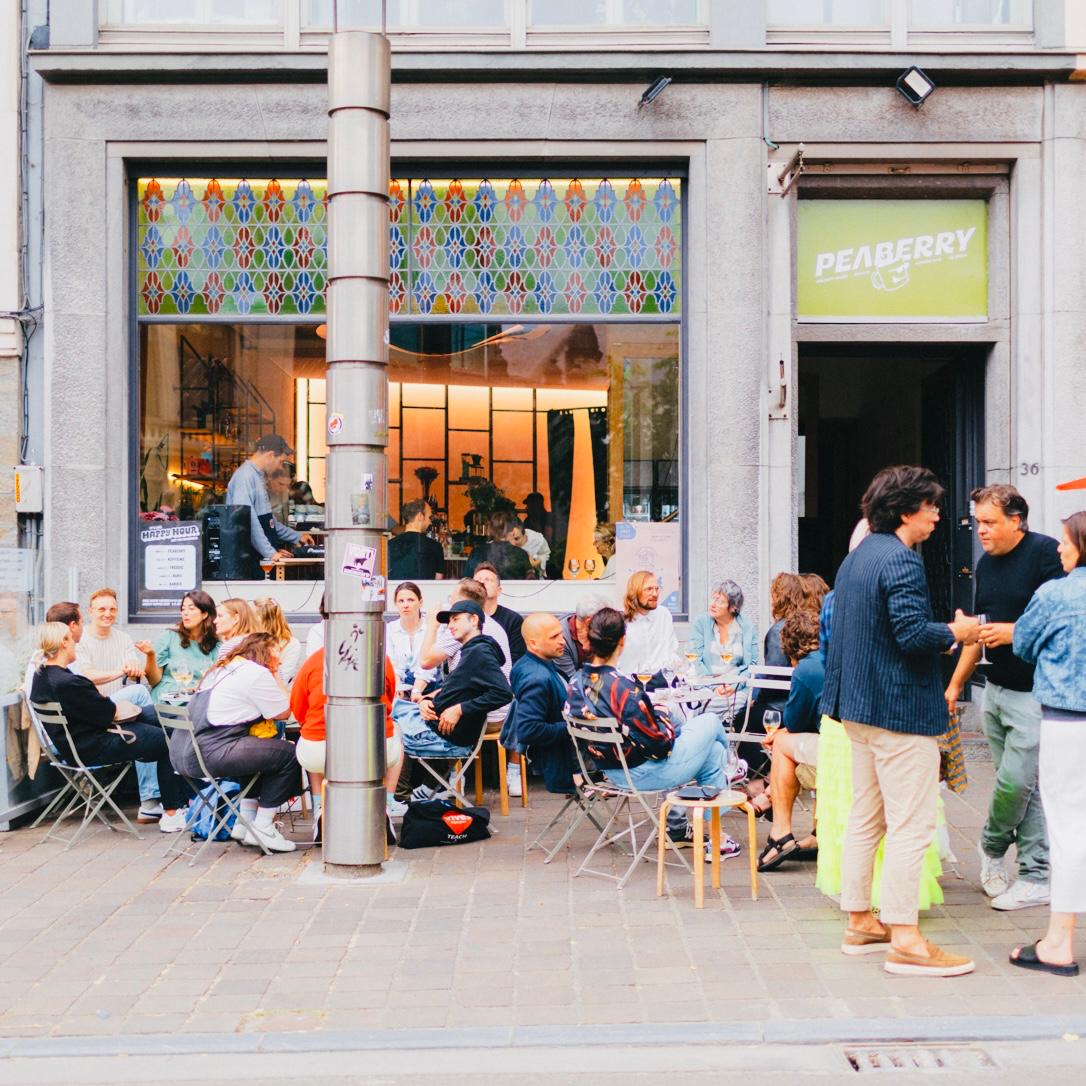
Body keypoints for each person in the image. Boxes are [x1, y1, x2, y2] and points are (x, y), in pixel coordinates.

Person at [822, 465, 979, 977]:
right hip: (899, 713)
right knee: (912, 827)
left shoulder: (858, 557)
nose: (937, 515)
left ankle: (860, 923)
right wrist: (957, 632)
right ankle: (906, 940)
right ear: (908, 510)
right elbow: (911, 634)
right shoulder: (901, 561)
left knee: (866, 819)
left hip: (857, 709)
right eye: (931, 506)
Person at [944, 485, 1063, 912]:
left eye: (989, 522)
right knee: (1022, 788)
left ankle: (991, 845)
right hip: (992, 692)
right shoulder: (985, 564)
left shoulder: (1047, 555)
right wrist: (955, 686)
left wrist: (1015, 632)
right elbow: (979, 631)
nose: (980, 530)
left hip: (1034, 694)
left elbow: (1064, 618)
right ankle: (1034, 875)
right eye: (978, 521)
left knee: (1017, 782)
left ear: (1016, 521)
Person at [566, 607, 739, 858]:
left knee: (712, 752)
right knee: (710, 721)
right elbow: (661, 746)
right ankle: (732, 765)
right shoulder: (625, 689)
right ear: (623, 641)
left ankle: (717, 838)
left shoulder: (575, 682)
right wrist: (661, 713)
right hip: (643, 773)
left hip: (608, 770)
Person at [1009, 510, 1086, 976]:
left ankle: (1059, 941)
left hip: (1069, 723)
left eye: (1066, 540)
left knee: (1068, 826)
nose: (1059, 547)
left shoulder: (1056, 594)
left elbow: (1022, 643)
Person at [30, 622, 189, 830]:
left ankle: (183, 798)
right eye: (72, 639)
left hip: (81, 741)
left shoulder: (42, 675)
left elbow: (98, 709)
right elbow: (107, 712)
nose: (76, 643)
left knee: (161, 716)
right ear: (64, 643)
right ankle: (172, 812)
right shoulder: (68, 683)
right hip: (94, 745)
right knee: (168, 739)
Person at [173, 632, 299, 852]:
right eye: (277, 653)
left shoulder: (223, 668)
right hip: (211, 751)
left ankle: (244, 823)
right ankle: (263, 827)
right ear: (265, 653)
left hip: (185, 753)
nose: (280, 659)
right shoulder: (256, 673)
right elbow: (283, 712)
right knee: (290, 754)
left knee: (256, 748)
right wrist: (275, 673)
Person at [291, 649, 405, 825]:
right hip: (373, 748)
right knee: (394, 732)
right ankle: (384, 805)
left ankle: (320, 807)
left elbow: (298, 706)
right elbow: (388, 699)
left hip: (321, 752)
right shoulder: (379, 657)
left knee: (312, 734)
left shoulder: (314, 660)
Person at [397, 600, 513, 760]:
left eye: (456, 619)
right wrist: (426, 701)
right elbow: (457, 689)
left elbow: (504, 693)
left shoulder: (480, 652)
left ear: (474, 620)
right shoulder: (471, 651)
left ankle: (400, 779)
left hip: (442, 737)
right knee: (390, 715)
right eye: (449, 621)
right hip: (434, 725)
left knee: (384, 726)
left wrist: (460, 709)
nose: (450, 625)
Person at [756, 611, 824, 871]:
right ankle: (818, 832)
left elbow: (794, 722)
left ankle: (780, 834)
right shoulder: (833, 657)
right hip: (856, 740)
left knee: (782, 743)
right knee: (785, 739)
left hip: (838, 748)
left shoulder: (805, 669)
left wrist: (778, 734)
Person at [503, 613, 576, 795]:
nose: (563, 641)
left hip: (566, 756)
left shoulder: (530, 665)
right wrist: (575, 727)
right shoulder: (536, 677)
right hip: (568, 765)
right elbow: (529, 730)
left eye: (561, 634)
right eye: (554, 637)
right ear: (533, 643)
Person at [225, 434, 314, 576]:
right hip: (247, 564)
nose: (279, 466)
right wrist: (270, 553)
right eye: (280, 461)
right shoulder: (245, 477)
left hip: (258, 560)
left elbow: (268, 522)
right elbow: (248, 521)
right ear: (270, 455)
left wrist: (296, 536)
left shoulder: (256, 476)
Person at [687, 579, 759, 720]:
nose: (713, 604)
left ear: (733, 607)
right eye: (713, 598)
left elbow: (752, 665)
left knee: (739, 700)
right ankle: (722, 720)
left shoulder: (747, 627)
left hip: (736, 689)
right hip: (706, 686)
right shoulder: (701, 623)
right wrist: (714, 687)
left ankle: (708, 717)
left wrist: (734, 686)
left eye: (720, 601)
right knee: (703, 699)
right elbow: (695, 660)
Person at [146, 590, 220, 703]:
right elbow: (153, 681)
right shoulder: (168, 637)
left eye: (191, 608)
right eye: (183, 609)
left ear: (204, 614)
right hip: (166, 698)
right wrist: (150, 655)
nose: (185, 613)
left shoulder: (216, 645)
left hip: (197, 699)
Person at [616, 570, 678, 683]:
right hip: (630, 682)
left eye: (657, 589)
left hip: (661, 681)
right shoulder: (620, 619)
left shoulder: (664, 615)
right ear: (635, 592)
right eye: (649, 589)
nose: (655, 594)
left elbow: (671, 650)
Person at [473, 562, 526, 662]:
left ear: (499, 590)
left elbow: (517, 657)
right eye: (477, 580)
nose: (482, 582)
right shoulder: (465, 617)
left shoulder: (513, 620)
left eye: (488, 580)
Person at [386, 581, 434, 692]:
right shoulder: (389, 629)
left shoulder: (430, 627)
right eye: (401, 601)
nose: (405, 605)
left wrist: (416, 690)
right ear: (396, 604)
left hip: (427, 686)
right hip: (398, 685)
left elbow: (430, 666)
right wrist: (397, 688)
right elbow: (392, 664)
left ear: (420, 602)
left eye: (410, 600)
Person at [554, 595, 609, 681]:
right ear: (589, 621)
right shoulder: (561, 638)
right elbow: (572, 680)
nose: (607, 621)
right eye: (604, 618)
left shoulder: (599, 631)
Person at [388, 499, 445, 580]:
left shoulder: (389, 545)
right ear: (420, 516)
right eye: (429, 517)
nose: (430, 522)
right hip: (425, 589)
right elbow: (438, 581)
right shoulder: (435, 547)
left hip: (398, 588)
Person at [466, 513, 533, 581]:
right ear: (512, 532)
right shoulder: (521, 554)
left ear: (490, 531)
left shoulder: (477, 552)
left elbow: (466, 579)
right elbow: (530, 581)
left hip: (484, 587)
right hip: (514, 588)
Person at [252, 597, 303, 684]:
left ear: (265, 622)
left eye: (251, 619)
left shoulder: (291, 645)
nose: (246, 622)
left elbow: (282, 679)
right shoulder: (247, 640)